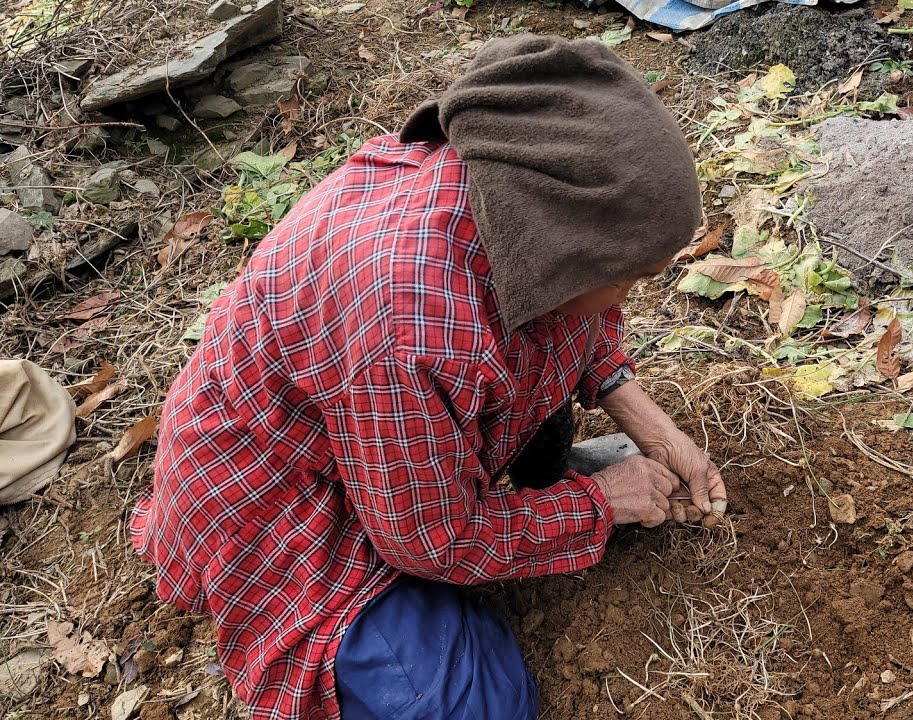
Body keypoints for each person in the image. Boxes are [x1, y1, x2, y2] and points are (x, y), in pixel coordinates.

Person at [129, 34, 727, 720]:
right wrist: (600, 504)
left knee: (541, 412)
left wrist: (657, 429)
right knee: (477, 705)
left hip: (379, 444)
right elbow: (430, 541)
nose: (626, 298)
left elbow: (582, 321)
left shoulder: (508, 197)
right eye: (630, 277)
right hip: (279, 496)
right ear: (567, 251)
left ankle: (509, 519)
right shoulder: (411, 327)